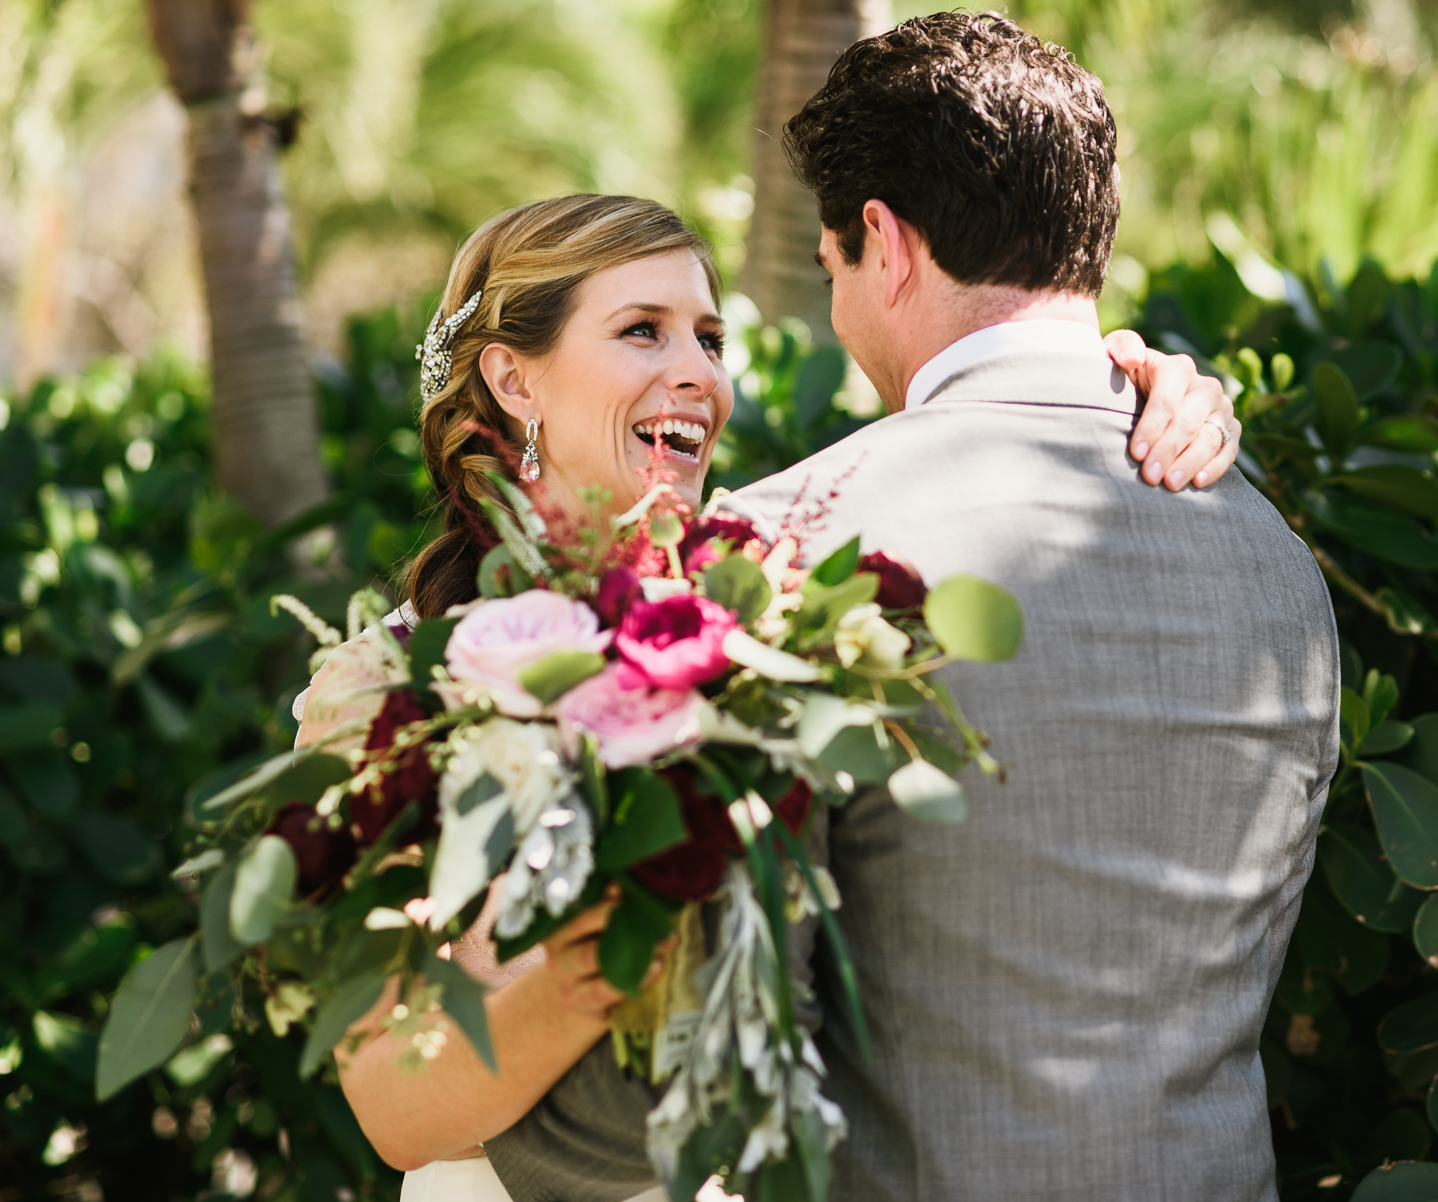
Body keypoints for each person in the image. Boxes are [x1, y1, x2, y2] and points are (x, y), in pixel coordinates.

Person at [296, 191, 1242, 1202]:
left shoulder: (777, 605)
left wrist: (1129, 381)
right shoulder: (385, 688)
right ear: (513, 376)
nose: (697, 372)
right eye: (641, 331)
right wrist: (616, 949)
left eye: (709, 336)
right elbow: (394, 1109)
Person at [721, 14, 1340, 1201]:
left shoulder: (782, 541)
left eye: (831, 264)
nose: (841, 309)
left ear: (884, 245)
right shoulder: (1273, 554)